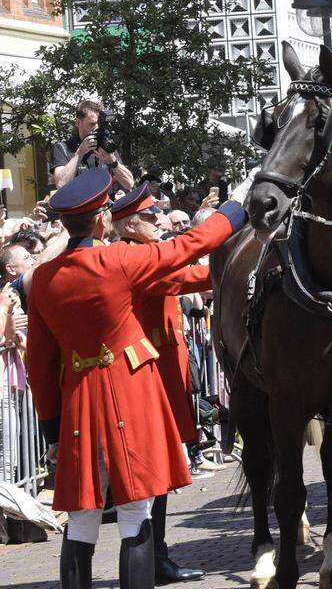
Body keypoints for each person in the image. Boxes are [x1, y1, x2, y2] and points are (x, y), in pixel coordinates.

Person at [23, 167, 247, 589]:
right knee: (135, 509)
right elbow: (189, 246)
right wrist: (237, 210)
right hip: (130, 390)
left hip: (78, 399)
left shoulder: (44, 281)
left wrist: (51, 422)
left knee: (83, 514)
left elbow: (39, 361)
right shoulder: (118, 261)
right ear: (103, 219)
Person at [111, 184, 211, 584]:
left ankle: (158, 556)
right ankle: (155, 559)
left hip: (169, 372)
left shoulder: (143, 253)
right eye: (151, 216)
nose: (159, 220)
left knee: (165, 473)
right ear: (131, 225)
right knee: (155, 474)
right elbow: (189, 278)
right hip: (152, 377)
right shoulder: (136, 258)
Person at [50, 99, 135, 191]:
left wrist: (112, 161)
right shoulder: (63, 148)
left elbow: (129, 184)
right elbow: (61, 184)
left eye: (99, 124)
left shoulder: (105, 145)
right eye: (92, 124)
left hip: (105, 204)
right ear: (78, 122)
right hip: (79, 204)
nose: (97, 128)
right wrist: (79, 154)